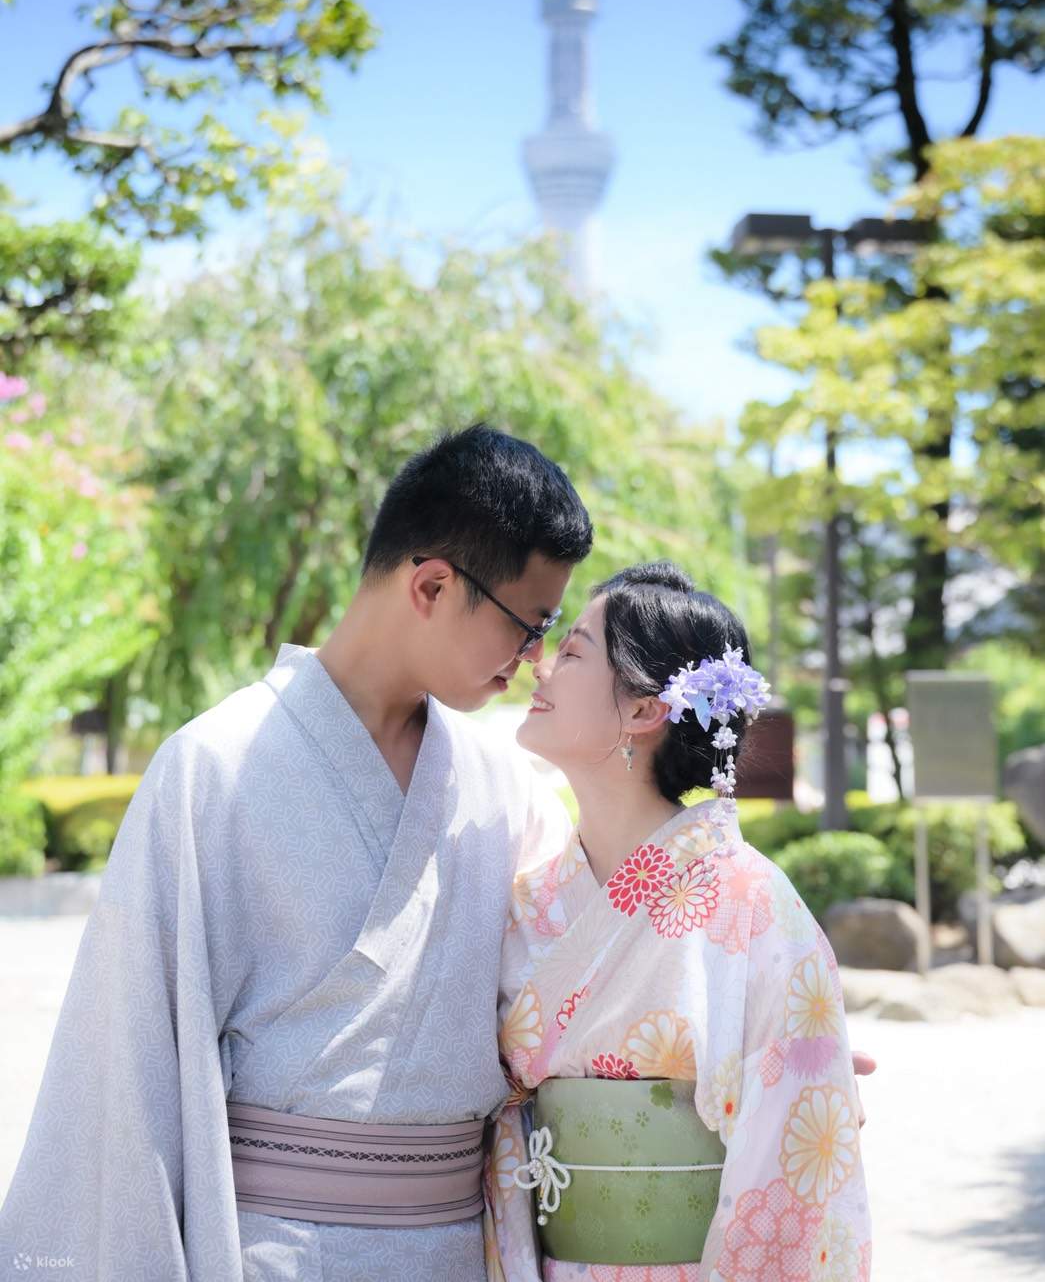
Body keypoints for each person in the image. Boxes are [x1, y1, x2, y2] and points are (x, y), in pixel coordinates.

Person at [0, 425, 592, 1281]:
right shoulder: (214, 765)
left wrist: (755, 1031)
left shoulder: (506, 784)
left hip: (461, 1250)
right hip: (270, 1251)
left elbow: (589, 978)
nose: (533, 658)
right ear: (431, 583)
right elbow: (123, 1067)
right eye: (528, 624)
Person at [483, 562, 872, 1282]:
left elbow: (792, 1166)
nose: (539, 667)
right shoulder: (530, 898)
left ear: (642, 710)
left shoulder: (752, 903)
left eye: (571, 652)